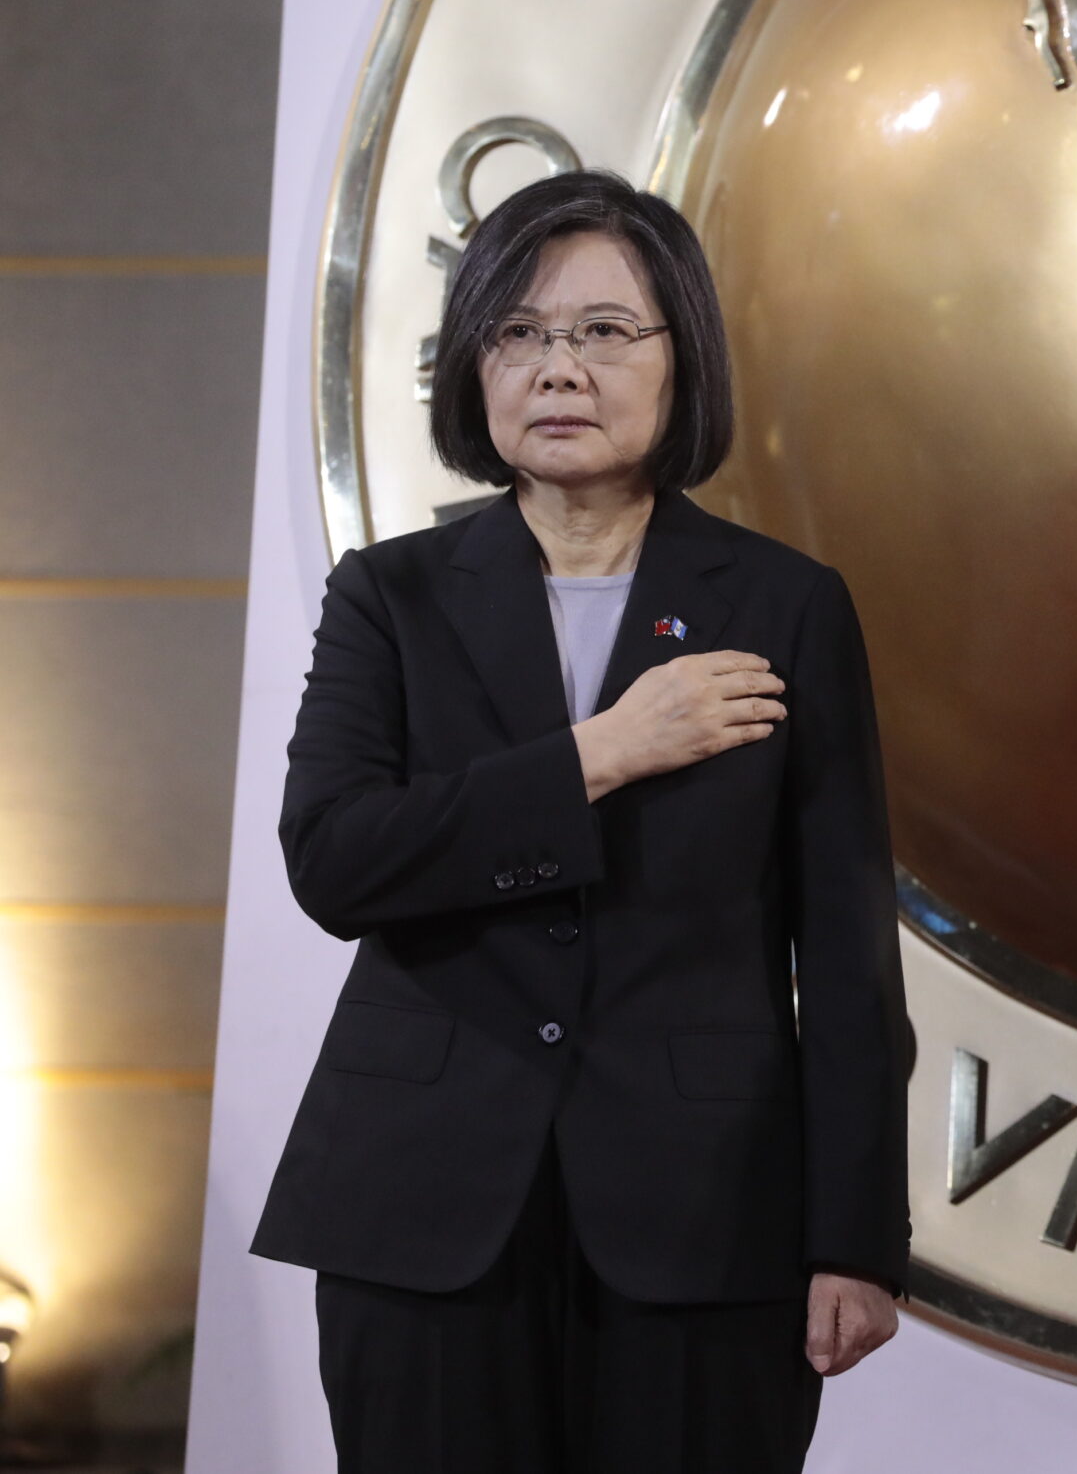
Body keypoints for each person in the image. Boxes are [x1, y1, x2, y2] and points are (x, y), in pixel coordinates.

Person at [252, 170, 909, 1473]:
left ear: (682, 360)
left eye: (604, 330)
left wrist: (855, 1237)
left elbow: (846, 952)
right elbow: (337, 859)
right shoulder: (391, 596)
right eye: (518, 332)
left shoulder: (785, 606)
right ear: (475, 367)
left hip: (706, 1214)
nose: (558, 367)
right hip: (422, 1208)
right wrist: (603, 752)